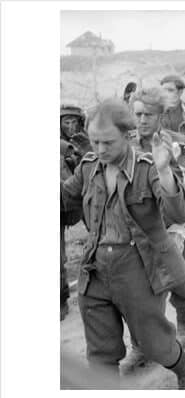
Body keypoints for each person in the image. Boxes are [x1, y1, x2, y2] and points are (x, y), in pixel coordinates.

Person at [61, 99, 185, 389]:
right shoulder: (88, 167)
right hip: (95, 268)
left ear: (128, 135)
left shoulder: (147, 169)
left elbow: (181, 213)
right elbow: (64, 199)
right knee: (100, 351)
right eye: (95, 142)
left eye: (107, 142)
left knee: (154, 343)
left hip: (139, 267)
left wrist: (165, 172)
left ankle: (184, 369)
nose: (99, 150)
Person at [120, 88, 185, 373]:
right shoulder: (125, 146)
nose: (141, 120)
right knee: (139, 293)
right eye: (137, 114)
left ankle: (184, 324)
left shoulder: (178, 143)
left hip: (175, 228)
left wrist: (184, 169)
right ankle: (141, 346)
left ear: (161, 116)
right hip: (137, 233)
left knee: (182, 283)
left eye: (148, 115)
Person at [60, 104, 91, 320]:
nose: (71, 127)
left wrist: (83, 154)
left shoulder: (87, 141)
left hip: (88, 198)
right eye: (66, 122)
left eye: (74, 122)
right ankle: (61, 298)